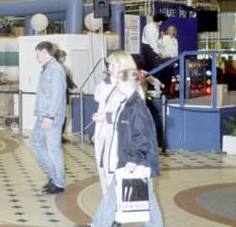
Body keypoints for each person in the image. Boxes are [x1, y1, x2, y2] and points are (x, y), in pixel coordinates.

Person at [88, 68, 164, 227]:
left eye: (118, 82)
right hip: (130, 159)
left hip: (138, 162)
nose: (116, 85)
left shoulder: (136, 107)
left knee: (141, 200)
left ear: (127, 83)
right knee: (125, 197)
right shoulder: (129, 104)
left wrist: (133, 160)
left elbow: (142, 137)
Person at [92, 52, 138, 195]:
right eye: (109, 65)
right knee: (104, 169)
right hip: (105, 133)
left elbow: (131, 115)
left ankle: (114, 203)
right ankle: (109, 201)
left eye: (113, 65)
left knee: (115, 172)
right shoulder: (111, 83)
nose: (109, 68)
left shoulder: (131, 86)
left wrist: (107, 117)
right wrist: (109, 81)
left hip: (119, 138)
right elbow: (98, 96)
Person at [31, 41, 67, 195]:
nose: (36, 56)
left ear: (45, 52)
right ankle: (54, 176)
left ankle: (58, 183)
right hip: (43, 114)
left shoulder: (55, 69)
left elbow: (57, 95)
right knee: (36, 143)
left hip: (51, 116)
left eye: (37, 53)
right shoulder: (47, 68)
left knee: (53, 149)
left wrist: (50, 116)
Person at [54, 49, 78, 144]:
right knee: (60, 118)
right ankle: (57, 137)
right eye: (63, 56)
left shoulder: (62, 67)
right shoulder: (58, 67)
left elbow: (68, 80)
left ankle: (59, 136)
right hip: (59, 98)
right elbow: (66, 80)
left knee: (63, 118)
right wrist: (75, 88)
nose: (64, 58)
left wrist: (75, 88)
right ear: (59, 57)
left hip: (62, 96)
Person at [156, 25, 179, 95]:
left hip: (171, 59)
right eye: (169, 29)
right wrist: (161, 37)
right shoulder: (164, 37)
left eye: (172, 29)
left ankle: (168, 91)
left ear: (174, 31)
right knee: (163, 76)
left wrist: (170, 55)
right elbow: (159, 45)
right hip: (163, 59)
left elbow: (176, 53)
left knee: (169, 76)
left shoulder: (175, 40)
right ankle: (162, 91)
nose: (171, 31)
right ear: (167, 30)